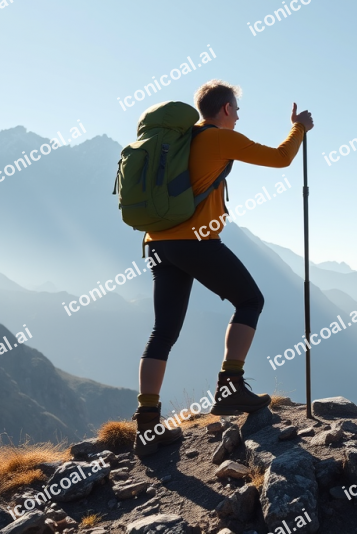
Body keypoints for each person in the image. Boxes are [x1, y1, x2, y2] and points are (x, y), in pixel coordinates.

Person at [131, 79, 313, 455]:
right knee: (250, 300)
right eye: (237, 110)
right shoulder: (218, 138)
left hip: (158, 241)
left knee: (162, 332)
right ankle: (230, 386)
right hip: (196, 242)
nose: (238, 116)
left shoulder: (182, 141)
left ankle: (146, 427)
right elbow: (281, 158)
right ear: (226, 109)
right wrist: (300, 128)